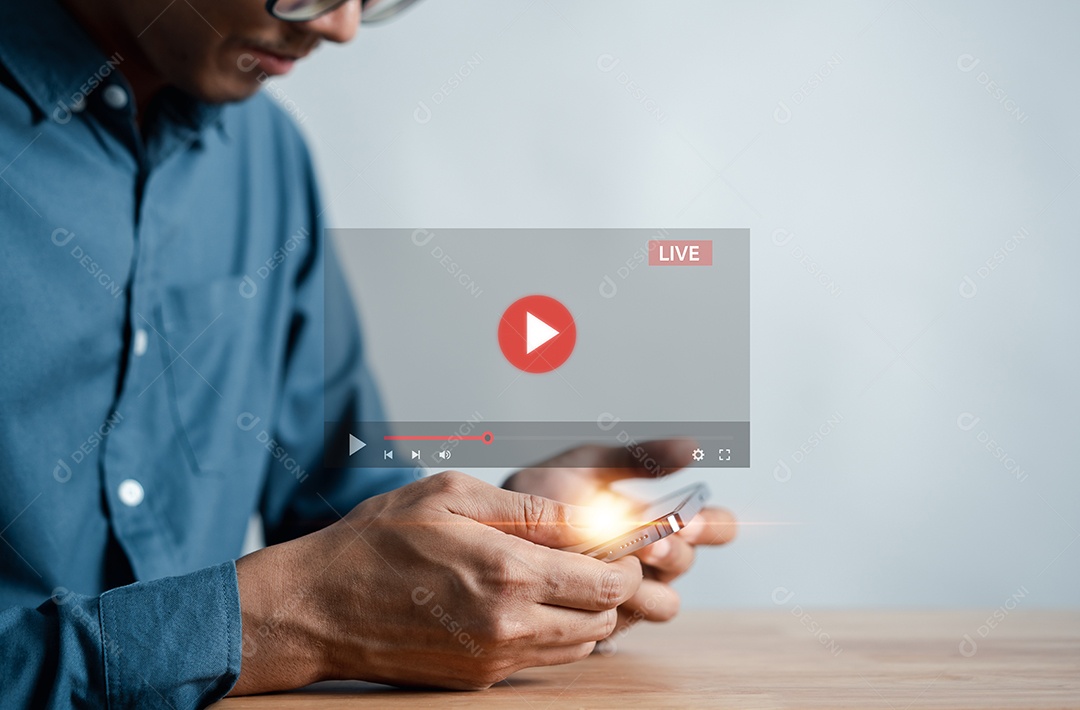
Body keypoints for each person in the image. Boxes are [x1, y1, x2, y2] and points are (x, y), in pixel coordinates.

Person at [0, 0, 737, 706]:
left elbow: (340, 524)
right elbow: (315, 602)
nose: (343, 26)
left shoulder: (267, 154)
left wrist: (508, 550)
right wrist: (264, 626)